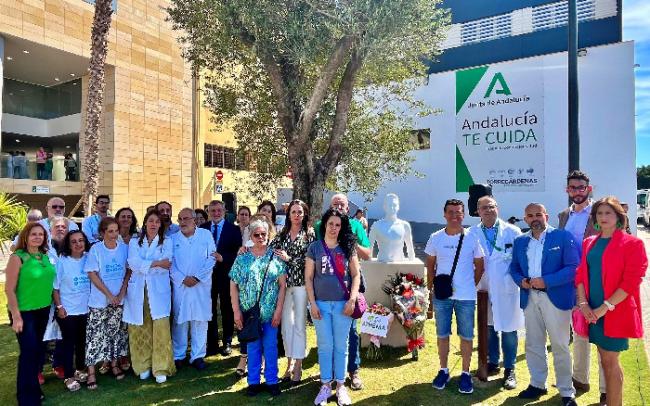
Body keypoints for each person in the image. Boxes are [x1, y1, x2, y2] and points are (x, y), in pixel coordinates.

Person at [575, 197, 647, 406]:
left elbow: (631, 281)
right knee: (604, 359)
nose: (603, 217)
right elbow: (580, 274)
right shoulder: (589, 242)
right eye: (599, 213)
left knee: (610, 361)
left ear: (618, 217)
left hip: (616, 311)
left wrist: (603, 309)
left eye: (608, 213)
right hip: (592, 311)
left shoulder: (633, 243)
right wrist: (584, 305)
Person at [510, 203, 580, 406]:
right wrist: (520, 280)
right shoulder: (520, 241)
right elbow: (514, 268)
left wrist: (547, 281)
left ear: (546, 216)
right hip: (529, 297)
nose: (535, 218)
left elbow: (573, 268)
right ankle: (537, 384)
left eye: (538, 214)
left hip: (555, 298)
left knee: (559, 345)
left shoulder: (562, 237)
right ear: (525, 219)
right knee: (533, 343)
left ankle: (567, 391)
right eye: (530, 215)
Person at [426, 199, 485, 395]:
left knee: (466, 336)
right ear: (444, 214)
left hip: (466, 297)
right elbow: (430, 266)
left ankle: (466, 373)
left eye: (458, 212)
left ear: (464, 214)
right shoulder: (435, 237)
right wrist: (430, 289)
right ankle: (443, 370)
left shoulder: (472, 237)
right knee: (442, 334)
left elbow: (480, 266)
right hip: (442, 296)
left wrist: (469, 285)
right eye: (450, 212)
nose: (454, 216)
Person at [314, 193, 371, 391]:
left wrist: (348, 240)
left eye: (342, 204)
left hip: (349, 287)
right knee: (328, 336)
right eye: (335, 204)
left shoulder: (355, 226)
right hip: (326, 290)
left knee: (351, 332)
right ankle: (329, 376)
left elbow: (369, 254)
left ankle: (353, 371)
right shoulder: (321, 226)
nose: (338, 206)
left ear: (348, 208)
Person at [557, 170, 606, 399]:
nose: (577, 192)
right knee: (579, 332)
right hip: (573, 283)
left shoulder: (602, 213)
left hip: (598, 282)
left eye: (581, 188)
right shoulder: (564, 216)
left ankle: (606, 391)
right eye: (572, 188)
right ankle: (580, 380)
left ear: (589, 188)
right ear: (567, 190)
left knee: (603, 335)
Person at [306, 209, 361, 406]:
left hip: (343, 306)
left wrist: (352, 300)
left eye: (338, 225)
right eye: (331, 224)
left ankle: (340, 386)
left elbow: (356, 275)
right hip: (320, 304)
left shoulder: (348, 248)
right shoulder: (315, 248)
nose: (334, 228)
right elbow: (309, 278)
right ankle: (325, 385)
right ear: (325, 224)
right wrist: (312, 303)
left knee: (341, 346)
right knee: (325, 345)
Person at [468, 196, 523, 390]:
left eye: (491, 207)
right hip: (483, 288)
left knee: (509, 330)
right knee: (489, 328)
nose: (488, 210)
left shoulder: (513, 231)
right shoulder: (471, 233)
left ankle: (510, 369)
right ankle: (492, 362)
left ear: (497, 208)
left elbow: (520, 261)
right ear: (478, 211)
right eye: (484, 208)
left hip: (507, 288)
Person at [230, 219, 287, 397]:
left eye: (264, 234)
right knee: (253, 348)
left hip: (270, 314)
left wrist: (278, 311)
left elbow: (283, 286)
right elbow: (233, 285)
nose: (261, 237)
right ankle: (253, 382)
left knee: (270, 347)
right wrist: (236, 312)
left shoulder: (275, 256)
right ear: (251, 236)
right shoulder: (243, 258)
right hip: (249, 314)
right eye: (257, 234)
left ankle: (272, 381)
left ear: (268, 235)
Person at [5, 222, 56, 405]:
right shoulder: (17, 258)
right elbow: (9, 290)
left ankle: (34, 388)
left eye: (41, 235)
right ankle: (26, 398)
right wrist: (16, 316)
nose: (37, 237)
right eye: (33, 234)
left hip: (42, 311)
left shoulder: (44, 256)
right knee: (28, 353)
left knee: (38, 352)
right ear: (25, 237)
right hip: (24, 312)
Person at [124, 210, 176, 384]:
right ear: (145, 223)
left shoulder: (167, 241)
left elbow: (167, 262)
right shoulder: (134, 242)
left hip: (158, 291)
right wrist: (156, 262)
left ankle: (161, 367)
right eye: (150, 221)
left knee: (160, 327)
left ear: (160, 225)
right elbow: (132, 263)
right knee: (140, 326)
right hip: (138, 290)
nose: (154, 224)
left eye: (157, 222)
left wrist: (147, 264)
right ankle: (142, 366)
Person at [271, 199, 315, 384]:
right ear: (289, 215)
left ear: (304, 215)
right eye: (293, 212)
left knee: (299, 325)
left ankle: (298, 366)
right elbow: (270, 251)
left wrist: (289, 259)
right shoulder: (282, 234)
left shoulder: (309, 235)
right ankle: (289, 364)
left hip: (301, 286)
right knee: (286, 327)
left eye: (300, 212)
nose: (297, 215)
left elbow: (310, 261)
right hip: (284, 286)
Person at [84, 217, 130, 389]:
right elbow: (92, 274)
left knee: (115, 333)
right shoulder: (96, 249)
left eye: (116, 231)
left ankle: (114, 364)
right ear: (102, 233)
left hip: (119, 299)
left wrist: (122, 292)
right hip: (99, 301)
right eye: (110, 231)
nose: (114, 234)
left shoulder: (124, 249)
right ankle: (91, 373)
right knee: (95, 336)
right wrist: (109, 295)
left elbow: (128, 271)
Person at [170, 208, 216, 370]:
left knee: (199, 320)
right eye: (180, 219)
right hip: (181, 286)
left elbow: (212, 257)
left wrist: (197, 277)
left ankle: (197, 356)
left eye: (186, 218)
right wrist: (183, 279)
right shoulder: (172, 238)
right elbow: (170, 263)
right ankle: (179, 355)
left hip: (200, 286)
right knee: (179, 321)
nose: (183, 222)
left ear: (194, 220)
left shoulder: (205, 235)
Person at [199, 200, 242, 356]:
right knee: (208, 308)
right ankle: (211, 342)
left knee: (226, 308)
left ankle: (228, 341)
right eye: (213, 211)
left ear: (224, 211)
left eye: (219, 210)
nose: (216, 213)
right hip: (206, 276)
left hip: (225, 274)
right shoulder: (202, 229)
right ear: (208, 212)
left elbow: (238, 252)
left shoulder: (234, 230)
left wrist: (223, 257)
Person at [53, 230, 92, 392]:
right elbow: (55, 288)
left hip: (86, 309)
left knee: (82, 342)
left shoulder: (89, 258)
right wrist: (60, 307)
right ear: (68, 245)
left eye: (81, 240)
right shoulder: (62, 261)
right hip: (67, 311)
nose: (78, 244)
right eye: (74, 241)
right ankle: (68, 376)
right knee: (68, 344)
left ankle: (80, 370)